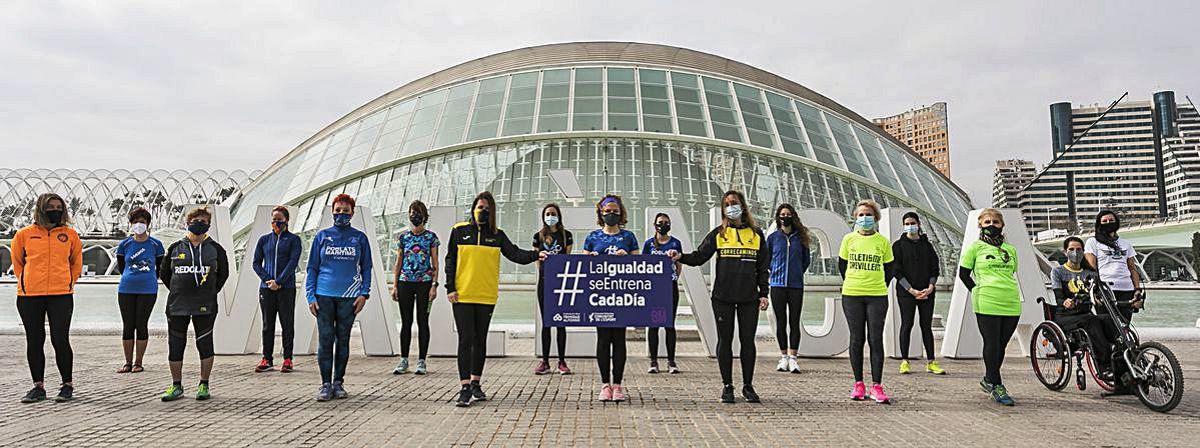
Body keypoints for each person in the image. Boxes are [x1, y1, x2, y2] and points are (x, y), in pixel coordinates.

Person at [445, 191, 544, 407]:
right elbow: (450, 259)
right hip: (462, 294)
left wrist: (537, 254)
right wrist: (450, 287)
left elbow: (515, 254)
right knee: (466, 340)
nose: (483, 211)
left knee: (480, 340)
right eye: (480, 207)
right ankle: (463, 388)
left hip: (486, 295)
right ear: (473, 208)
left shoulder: (497, 235)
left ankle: (475, 383)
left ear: (492, 212)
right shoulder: (459, 231)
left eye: (487, 209)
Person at [673, 191, 770, 404]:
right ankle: (727, 386)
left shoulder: (757, 234)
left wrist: (764, 293)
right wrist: (680, 257)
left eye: (734, 203)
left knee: (748, 342)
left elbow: (763, 267)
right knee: (724, 341)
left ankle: (748, 386)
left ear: (743, 206)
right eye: (726, 204)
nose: (731, 207)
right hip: (723, 297)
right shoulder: (719, 233)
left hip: (749, 298)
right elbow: (699, 257)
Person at [12, 193, 82, 403]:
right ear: (41, 209)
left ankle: (67, 385)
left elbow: (75, 263)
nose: (55, 210)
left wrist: (68, 282)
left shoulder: (70, 235)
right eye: (50, 206)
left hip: (61, 295)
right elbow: (18, 263)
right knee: (34, 340)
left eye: (58, 206)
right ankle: (38, 387)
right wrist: (27, 281)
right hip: (29, 296)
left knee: (60, 339)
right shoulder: (24, 234)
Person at [158, 207, 230, 402]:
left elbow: (223, 275)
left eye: (204, 221)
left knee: (205, 344)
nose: (200, 223)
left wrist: (208, 291)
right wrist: (179, 288)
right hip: (177, 304)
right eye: (196, 219)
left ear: (208, 225)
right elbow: (165, 274)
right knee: (175, 345)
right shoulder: (175, 248)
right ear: (187, 223)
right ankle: (176, 385)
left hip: (205, 304)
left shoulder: (216, 249)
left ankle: (204, 384)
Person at [306, 194, 372, 401]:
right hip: (323, 295)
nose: (341, 214)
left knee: (342, 340)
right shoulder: (322, 236)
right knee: (325, 340)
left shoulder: (360, 238)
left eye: (345, 211)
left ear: (352, 213)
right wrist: (310, 296)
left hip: (349, 297)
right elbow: (312, 268)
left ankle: (338, 382)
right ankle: (325, 384)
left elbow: (367, 268)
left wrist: (364, 294)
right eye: (338, 210)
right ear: (332, 211)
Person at [958, 208, 1020, 406]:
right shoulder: (975, 248)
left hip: (1010, 301)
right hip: (987, 301)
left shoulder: (1010, 249)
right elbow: (964, 274)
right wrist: (976, 290)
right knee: (992, 344)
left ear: (1002, 225)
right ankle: (998, 385)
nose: (991, 225)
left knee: (1001, 345)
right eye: (987, 222)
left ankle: (988, 379)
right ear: (980, 225)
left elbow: (1012, 273)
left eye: (995, 222)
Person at [838, 200, 895, 404]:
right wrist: (856, 281)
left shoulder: (883, 242)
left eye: (868, 215)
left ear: (876, 218)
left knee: (875, 339)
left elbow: (890, 270)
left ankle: (877, 386)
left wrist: (876, 284)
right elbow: (842, 266)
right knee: (856, 338)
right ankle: (858, 384)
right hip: (852, 294)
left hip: (877, 295)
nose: (864, 218)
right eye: (861, 215)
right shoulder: (848, 239)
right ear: (855, 217)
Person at [584, 194, 640, 402]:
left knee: (619, 340)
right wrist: (590, 260)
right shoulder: (592, 238)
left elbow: (640, 265)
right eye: (607, 211)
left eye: (615, 211)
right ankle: (604, 384)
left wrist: (627, 258)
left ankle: (618, 385)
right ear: (601, 212)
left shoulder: (629, 237)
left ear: (621, 212)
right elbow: (584, 267)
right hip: (600, 295)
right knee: (603, 339)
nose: (611, 214)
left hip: (621, 294)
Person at [891, 211, 945, 375]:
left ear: (918, 224)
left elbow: (935, 268)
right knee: (907, 324)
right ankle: (904, 361)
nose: (910, 226)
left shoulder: (927, 245)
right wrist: (911, 290)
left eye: (912, 223)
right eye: (906, 224)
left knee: (926, 326)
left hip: (927, 292)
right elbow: (897, 271)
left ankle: (931, 362)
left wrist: (930, 286)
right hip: (906, 292)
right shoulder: (898, 246)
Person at [1050, 237, 1112, 379]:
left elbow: (1098, 296)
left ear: (1083, 252)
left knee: (1109, 320)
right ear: (1065, 252)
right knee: (1091, 321)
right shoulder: (1058, 272)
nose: (1075, 252)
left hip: (1085, 314)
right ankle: (1104, 367)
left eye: (1078, 249)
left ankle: (1120, 363)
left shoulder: (1090, 274)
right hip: (1065, 317)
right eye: (1071, 249)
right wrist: (1065, 301)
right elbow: (1059, 297)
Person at [115, 207, 165, 374]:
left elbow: (160, 267)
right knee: (128, 325)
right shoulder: (125, 244)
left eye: (142, 222)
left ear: (148, 224)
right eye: (135, 222)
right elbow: (122, 267)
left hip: (148, 289)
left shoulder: (156, 245)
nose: (138, 225)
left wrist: (150, 277)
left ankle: (138, 362)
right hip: (126, 288)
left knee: (141, 324)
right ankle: (127, 362)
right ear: (131, 224)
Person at [252, 205, 302, 373]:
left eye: (279, 220)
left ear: (286, 220)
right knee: (267, 324)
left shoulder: (294, 240)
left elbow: (292, 263)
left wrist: (279, 282)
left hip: (286, 288)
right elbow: (256, 263)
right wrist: (268, 281)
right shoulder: (264, 240)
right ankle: (267, 358)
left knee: (287, 323)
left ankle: (288, 359)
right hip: (266, 288)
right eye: (273, 220)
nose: (276, 223)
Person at [391, 200, 439, 375]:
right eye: (412, 212)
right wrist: (395, 285)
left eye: (418, 212)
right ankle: (403, 360)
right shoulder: (403, 237)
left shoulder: (431, 237)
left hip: (424, 283)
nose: (414, 215)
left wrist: (434, 285)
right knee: (406, 322)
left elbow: (435, 263)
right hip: (405, 282)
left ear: (424, 215)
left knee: (422, 321)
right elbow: (399, 262)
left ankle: (421, 361)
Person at [767, 203, 811, 374]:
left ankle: (793, 358)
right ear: (778, 218)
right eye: (782, 214)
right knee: (780, 322)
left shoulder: (801, 238)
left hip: (795, 286)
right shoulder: (773, 238)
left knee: (794, 321)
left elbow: (806, 261)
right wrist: (774, 272)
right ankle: (783, 356)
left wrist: (797, 273)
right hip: (777, 285)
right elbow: (767, 259)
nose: (785, 217)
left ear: (793, 216)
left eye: (788, 214)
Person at [533, 203, 572, 375]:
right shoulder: (538, 236)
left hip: (561, 282)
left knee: (561, 322)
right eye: (547, 213)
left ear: (559, 215)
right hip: (544, 282)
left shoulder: (566, 235)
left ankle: (562, 361)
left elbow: (567, 258)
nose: (550, 216)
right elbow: (537, 261)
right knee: (546, 322)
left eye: (553, 213)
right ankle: (545, 362)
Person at [1084, 210, 1143, 323]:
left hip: (1127, 289)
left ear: (1117, 223)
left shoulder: (1125, 243)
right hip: (1105, 289)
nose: (1108, 223)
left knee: (1125, 324)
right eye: (1104, 221)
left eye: (1111, 220)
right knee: (1107, 324)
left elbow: (1132, 268)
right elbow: (1092, 268)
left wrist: (1137, 289)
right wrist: (1094, 290)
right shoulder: (1093, 242)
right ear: (1099, 224)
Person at [643, 213, 682, 374]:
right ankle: (653, 361)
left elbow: (679, 264)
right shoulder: (649, 244)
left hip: (670, 287)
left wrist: (672, 278)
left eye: (666, 222)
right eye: (660, 222)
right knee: (654, 325)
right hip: (654, 288)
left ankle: (671, 362)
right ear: (655, 225)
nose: (663, 225)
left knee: (669, 325)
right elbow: (643, 264)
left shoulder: (675, 242)